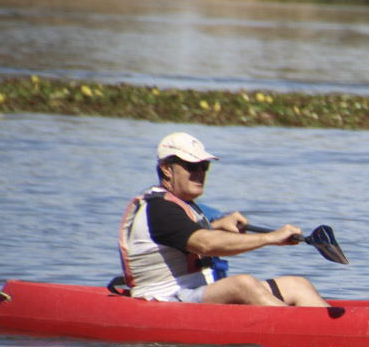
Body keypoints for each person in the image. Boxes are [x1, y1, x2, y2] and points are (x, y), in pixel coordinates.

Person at [117, 131, 329, 307]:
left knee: (297, 284)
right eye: (192, 166)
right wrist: (271, 238)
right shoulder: (159, 209)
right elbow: (206, 244)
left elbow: (184, 235)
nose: (200, 172)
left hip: (194, 294)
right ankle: (306, 332)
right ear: (166, 168)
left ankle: (331, 329)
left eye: (204, 166)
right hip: (163, 301)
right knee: (242, 283)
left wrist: (218, 225)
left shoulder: (182, 205)